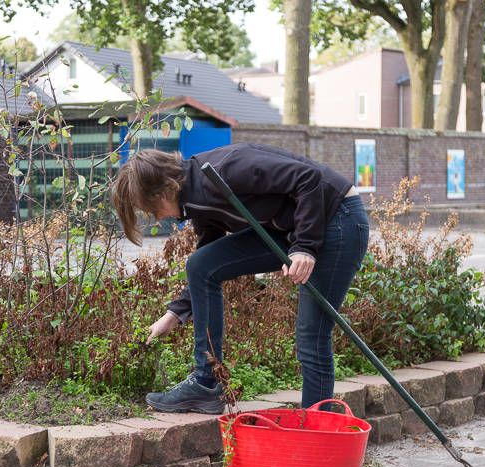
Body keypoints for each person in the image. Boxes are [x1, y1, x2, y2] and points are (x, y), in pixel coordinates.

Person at [111, 143, 369, 414]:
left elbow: (308, 178)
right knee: (202, 263)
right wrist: (174, 314)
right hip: (294, 228)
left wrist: (305, 246)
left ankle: (318, 427)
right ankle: (206, 383)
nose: (158, 217)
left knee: (311, 337)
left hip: (338, 218)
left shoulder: (227, 169)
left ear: (164, 190)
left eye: (152, 209)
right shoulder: (195, 198)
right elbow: (205, 265)